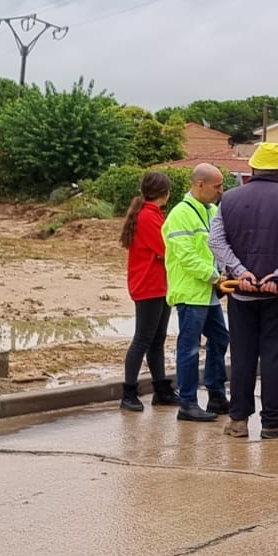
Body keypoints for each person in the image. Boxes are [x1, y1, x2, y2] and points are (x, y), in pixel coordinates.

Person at [209, 143, 278, 438]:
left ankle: (238, 420)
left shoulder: (228, 199)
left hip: (241, 293)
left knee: (242, 355)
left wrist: (239, 271)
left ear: (253, 168)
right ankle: (272, 420)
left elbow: (216, 241)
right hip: (276, 294)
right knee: (273, 356)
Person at [163, 163, 227, 423]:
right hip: (191, 293)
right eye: (217, 186)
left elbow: (217, 246)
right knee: (189, 348)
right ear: (199, 184)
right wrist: (215, 277)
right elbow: (187, 256)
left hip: (208, 293)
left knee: (220, 339)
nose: (221, 191)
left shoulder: (211, 211)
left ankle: (216, 394)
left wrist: (223, 273)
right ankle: (187, 402)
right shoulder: (180, 214)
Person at [119, 171, 180, 413]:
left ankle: (160, 389)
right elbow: (167, 248)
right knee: (143, 338)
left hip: (159, 284)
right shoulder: (148, 217)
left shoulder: (151, 214)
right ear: (165, 193)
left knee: (157, 339)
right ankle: (129, 391)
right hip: (149, 285)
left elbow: (163, 250)